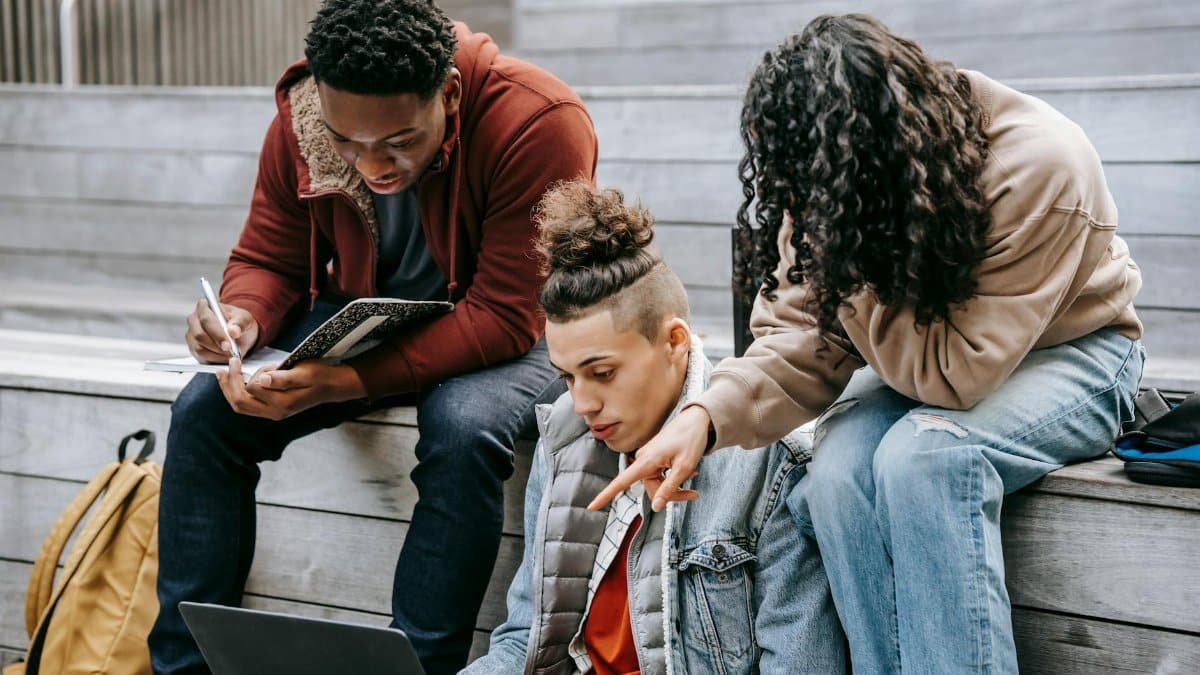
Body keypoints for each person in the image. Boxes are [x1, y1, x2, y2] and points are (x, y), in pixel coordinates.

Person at [592, 14, 1144, 673]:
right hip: (922, 362)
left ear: (872, 163)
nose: (804, 209)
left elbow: (953, 372)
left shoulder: (1040, 167)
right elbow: (795, 340)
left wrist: (842, 270)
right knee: (836, 472)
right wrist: (702, 419)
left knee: (927, 459)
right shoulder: (832, 187)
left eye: (821, 198)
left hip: (1079, 355)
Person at [148, 1, 597, 673]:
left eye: (399, 142)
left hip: (523, 325)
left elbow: (506, 314)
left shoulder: (536, 121)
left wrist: (346, 381)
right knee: (205, 411)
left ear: (448, 93)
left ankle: (415, 663)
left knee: (463, 423)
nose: (371, 165)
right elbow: (268, 258)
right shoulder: (305, 117)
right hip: (371, 314)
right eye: (347, 142)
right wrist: (240, 316)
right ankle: (181, 667)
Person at [464, 181, 846, 675]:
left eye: (602, 373)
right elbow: (523, 644)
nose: (581, 402)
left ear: (674, 342)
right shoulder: (563, 443)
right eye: (567, 376)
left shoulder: (772, 468)